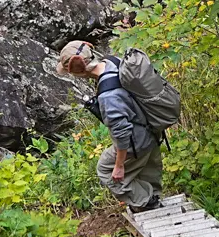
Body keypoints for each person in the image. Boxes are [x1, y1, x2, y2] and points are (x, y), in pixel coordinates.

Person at [57, 41, 164, 213]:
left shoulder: (108, 95)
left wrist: (119, 165)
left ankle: (146, 202)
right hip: (152, 127)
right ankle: (153, 196)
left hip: (137, 139)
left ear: (79, 70)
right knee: (145, 166)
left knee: (106, 170)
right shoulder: (113, 61)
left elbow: (122, 133)